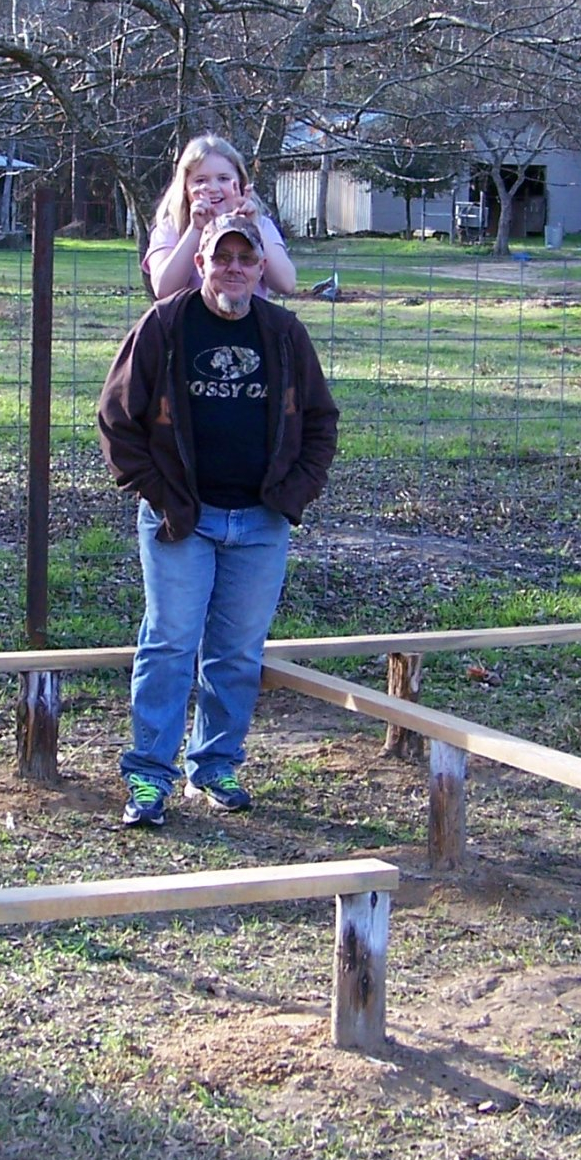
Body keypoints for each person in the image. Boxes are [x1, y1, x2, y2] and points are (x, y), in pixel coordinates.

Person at [96, 211, 340, 827]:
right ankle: (150, 776)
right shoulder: (165, 325)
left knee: (236, 653)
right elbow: (116, 421)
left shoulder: (283, 333)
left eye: (246, 258)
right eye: (221, 257)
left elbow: (319, 422)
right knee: (171, 643)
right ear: (199, 263)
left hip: (259, 523)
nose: (233, 268)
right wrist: (159, 494)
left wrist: (295, 493)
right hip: (183, 518)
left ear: (261, 269)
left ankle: (217, 764)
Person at [141, 134, 297, 300]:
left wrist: (253, 226)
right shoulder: (171, 228)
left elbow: (286, 284)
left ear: (240, 182)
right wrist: (196, 230)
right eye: (201, 180)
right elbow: (163, 289)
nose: (213, 188)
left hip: (248, 323)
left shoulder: (262, 225)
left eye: (223, 179)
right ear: (185, 188)